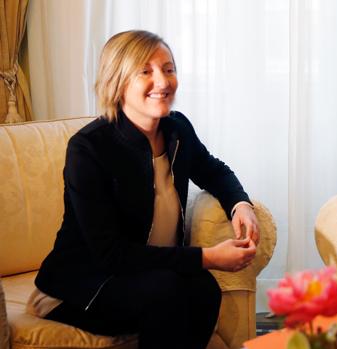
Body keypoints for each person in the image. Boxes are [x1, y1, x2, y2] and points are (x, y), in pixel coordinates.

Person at [29, 30, 259, 349]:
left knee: (203, 288)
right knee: (168, 290)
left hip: (147, 276)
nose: (163, 82)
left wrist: (240, 205)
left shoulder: (177, 128)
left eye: (168, 69)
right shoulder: (88, 148)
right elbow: (110, 255)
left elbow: (213, 169)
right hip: (80, 287)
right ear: (119, 81)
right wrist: (207, 256)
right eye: (145, 72)